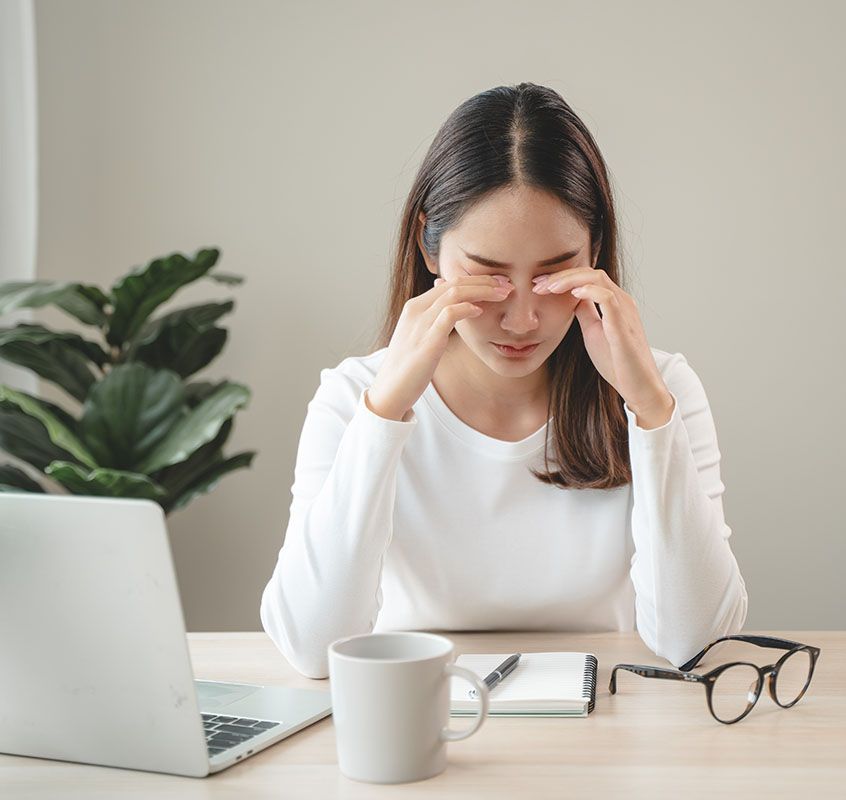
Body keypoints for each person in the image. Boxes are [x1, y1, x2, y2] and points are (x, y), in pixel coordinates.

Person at [260, 82, 748, 679]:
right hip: (424, 713)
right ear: (430, 249)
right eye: (488, 275)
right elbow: (314, 649)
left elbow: (697, 641)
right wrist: (384, 414)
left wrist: (648, 409)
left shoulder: (662, 390)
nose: (521, 320)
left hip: (608, 718)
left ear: (595, 250)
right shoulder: (352, 398)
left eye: (553, 275)